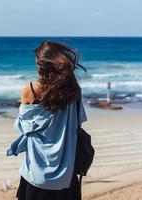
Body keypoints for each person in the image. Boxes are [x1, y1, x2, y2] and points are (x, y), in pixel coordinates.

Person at [7, 41, 87, 200]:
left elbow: (24, 128)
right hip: (66, 174)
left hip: (35, 174)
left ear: (40, 65)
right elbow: (78, 123)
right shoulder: (73, 90)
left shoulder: (29, 90)